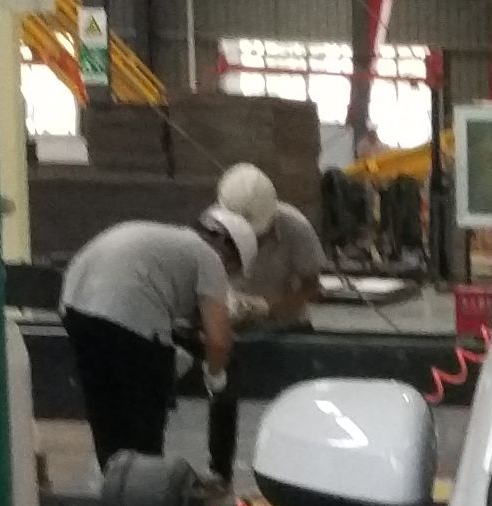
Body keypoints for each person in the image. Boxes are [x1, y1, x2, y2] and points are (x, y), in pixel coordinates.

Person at [56, 204, 246, 474]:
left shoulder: (169, 244)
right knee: (145, 422)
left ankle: (114, 484)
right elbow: (218, 341)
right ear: (230, 256)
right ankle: (145, 487)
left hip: (76, 307)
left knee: (107, 415)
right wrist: (215, 376)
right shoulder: (209, 257)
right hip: (128, 313)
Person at [208, 160, 328, 480]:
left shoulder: (295, 228)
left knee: (303, 402)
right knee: (222, 396)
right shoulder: (213, 228)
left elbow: (312, 286)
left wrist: (269, 306)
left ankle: (307, 474)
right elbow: (203, 277)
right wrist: (227, 306)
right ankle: (219, 475)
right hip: (234, 325)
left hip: (287, 325)